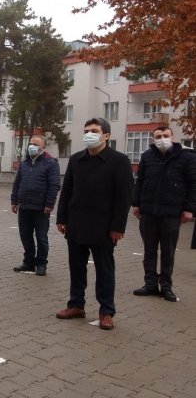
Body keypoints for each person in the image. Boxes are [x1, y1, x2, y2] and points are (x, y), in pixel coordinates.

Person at [55, 117, 133, 330]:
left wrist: (118, 226)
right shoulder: (76, 159)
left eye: (95, 130)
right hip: (76, 224)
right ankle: (76, 305)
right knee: (76, 268)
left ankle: (106, 311)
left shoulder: (119, 161)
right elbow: (67, 191)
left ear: (106, 135)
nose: (89, 133)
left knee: (105, 270)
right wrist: (61, 218)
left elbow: (123, 197)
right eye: (87, 130)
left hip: (104, 228)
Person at [131, 126, 195, 302]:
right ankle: (150, 284)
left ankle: (166, 286)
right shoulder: (147, 156)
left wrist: (190, 209)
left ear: (172, 137)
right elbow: (140, 180)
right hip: (148, 212)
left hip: (171, 213)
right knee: (149, 250)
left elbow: (193, 184)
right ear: (153, 139)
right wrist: (136, 203)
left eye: (165, 135)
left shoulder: (186, 157)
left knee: (168, 251)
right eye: (158, 136)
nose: (162, 138)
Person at [10, 135, 61, 276]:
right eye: (31, 143)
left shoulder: (51, 163)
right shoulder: (25, 163)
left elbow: (54, 185)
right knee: (25, 237)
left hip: (41, 208)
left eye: (36, 144)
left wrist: (49, 205)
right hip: (24, 206)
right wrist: (14, 201)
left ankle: (41, 264)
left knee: (41, 238)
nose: (32, 146)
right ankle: (28, 262)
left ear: (43, 147)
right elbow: (17, 183)